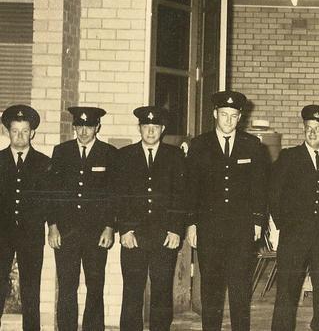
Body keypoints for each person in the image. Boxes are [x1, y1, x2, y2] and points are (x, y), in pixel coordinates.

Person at [185, 91, 269, 331]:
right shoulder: (200, 145)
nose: (229, 120)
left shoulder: (252, 145)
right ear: (215, 114)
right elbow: (191, 188)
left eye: (233, 116)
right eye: (224, 115)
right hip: (209, 229)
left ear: (240, 117)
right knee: (211, 290)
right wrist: (191, 223)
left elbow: (259, 187)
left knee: (240, 290)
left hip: (241, 230)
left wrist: (257, 222)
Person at [270, 104, 319, 331]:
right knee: (287, 292)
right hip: (294, 237)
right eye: (308, 127)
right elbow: (273, 195)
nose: (312, 132)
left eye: (318, 128)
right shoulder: (288, 157)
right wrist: (287, 226)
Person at [114, 106, 187, 331]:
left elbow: (181, 195)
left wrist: (176, 230)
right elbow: (119, 195)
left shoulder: (175, 156)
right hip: (133, 236)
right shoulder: (124, 155)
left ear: (162, 129)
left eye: (155, 127)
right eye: (146, 127)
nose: (151, 132)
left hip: (164, 236)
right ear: (140, 128)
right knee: (132, 291)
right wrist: (124, 230)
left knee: (162, 291)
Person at [47, 106, 118, 331]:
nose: (84, 131)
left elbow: (113, 195)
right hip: (66, 232)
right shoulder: (61, 151)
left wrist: (109, 227)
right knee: (67, 285)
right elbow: (52, 192)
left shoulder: (109, 153)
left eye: (89, 126)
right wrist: (53, 226)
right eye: (80, 126)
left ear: (97, 127)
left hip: (96, 232)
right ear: (74, 127)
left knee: (95, 285)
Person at [0, 105, 49, 331]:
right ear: (7, 132)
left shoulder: (44, 163)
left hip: (31, 235)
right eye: (15, 131)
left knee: (31, 287)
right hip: (2, 235)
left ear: (33, 133)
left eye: (24, 131)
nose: (19, 136)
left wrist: (53, 227)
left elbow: (50, 202)